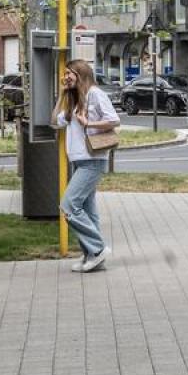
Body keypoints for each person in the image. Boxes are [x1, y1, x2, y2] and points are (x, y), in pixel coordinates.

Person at [55, 59, 120, 273]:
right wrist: (63, 93)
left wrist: (89, 123)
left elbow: (113, 120)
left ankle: (98, 248)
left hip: (93, 160)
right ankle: (91, 256)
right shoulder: (74, 98)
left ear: (80, 73)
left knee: (69, 205)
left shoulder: (95, 94)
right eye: (65, 74)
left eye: (69, 73)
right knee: (87, 211)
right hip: (79, 160)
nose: (66, 77)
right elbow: (55, 121)